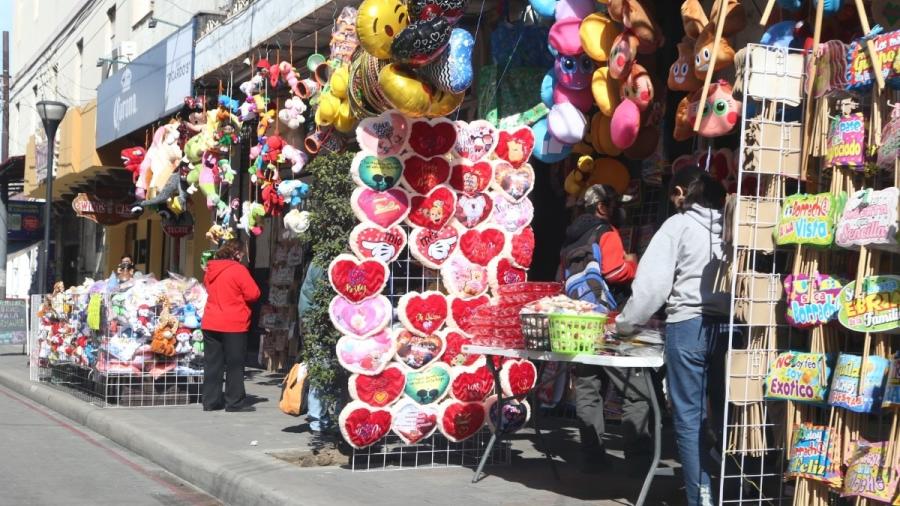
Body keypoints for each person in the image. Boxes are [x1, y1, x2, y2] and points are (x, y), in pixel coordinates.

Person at [615, 166, 731, 506]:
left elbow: (652, 287)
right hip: (729, 328)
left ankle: (701, 498)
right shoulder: (732, 225)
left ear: (682, 193)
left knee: (689, 419)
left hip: (689, 326)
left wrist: (626, 324)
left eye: (673, 195)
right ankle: (728, 490)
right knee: (727, 417)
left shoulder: (678, 225)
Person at [559, 184, 652, 470]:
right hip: (611, 321)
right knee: (636, 390)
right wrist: (634, 265)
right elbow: (614, 271)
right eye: (613, 204)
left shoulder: (571, 238)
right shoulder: (605, 232)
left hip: (580, 322)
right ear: (601, 207)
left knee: (589, 387)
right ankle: (638, 461)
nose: (618, 210)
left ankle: (592, 458)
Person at [201, 238, 260, 412]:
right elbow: (253, 294)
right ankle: (234, 402)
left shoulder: (210, 269)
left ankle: (210, 401)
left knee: (212, 363)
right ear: (236, 253)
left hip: (211, 321)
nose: (243, 256)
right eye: (242, 253)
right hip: (234, 323)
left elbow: (208, 287)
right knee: (235, 364)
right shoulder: (238, 270)